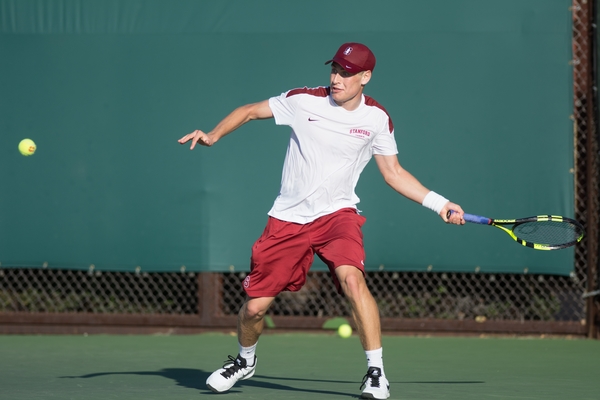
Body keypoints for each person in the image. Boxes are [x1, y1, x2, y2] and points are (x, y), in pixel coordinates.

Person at [179, 42, 465, 400]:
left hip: (338, 216)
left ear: (365, 77)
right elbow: (250, 111)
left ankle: (376, 373)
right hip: (287, 219)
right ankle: (245, 360)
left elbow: (393, 173)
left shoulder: (377, 119)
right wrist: (214, 134)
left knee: (353, 282)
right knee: (254, 308)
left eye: (346, 73)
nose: (336, 78)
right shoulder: (303, 101)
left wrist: (438, 204)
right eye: (334, 70)